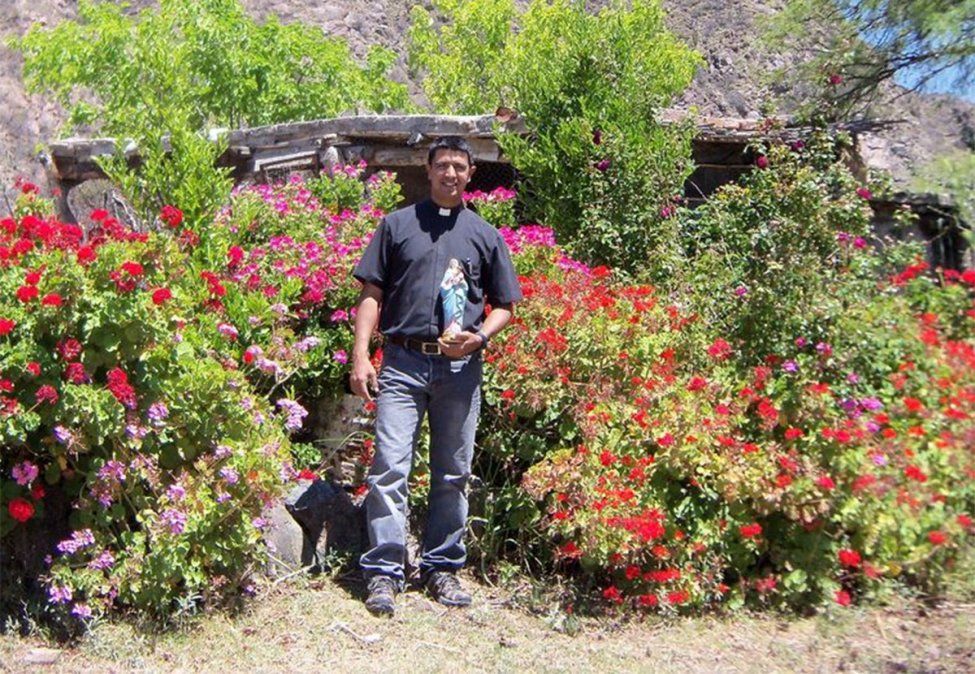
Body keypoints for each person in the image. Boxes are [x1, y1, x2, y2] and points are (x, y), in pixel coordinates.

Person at [350, 136, 523, 616]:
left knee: (453, 471)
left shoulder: (485, 235)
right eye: (442, 165)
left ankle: (441, 568)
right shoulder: (396, 225)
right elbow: (371, 294)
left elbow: (505, 305)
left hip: (460, 369)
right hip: (403, 363)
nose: (450, 173)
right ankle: (384, 573)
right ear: (428, 171)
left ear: (471, 175)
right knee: (389, 467)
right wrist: (361, 356)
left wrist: (479, 338)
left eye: (459, 167)